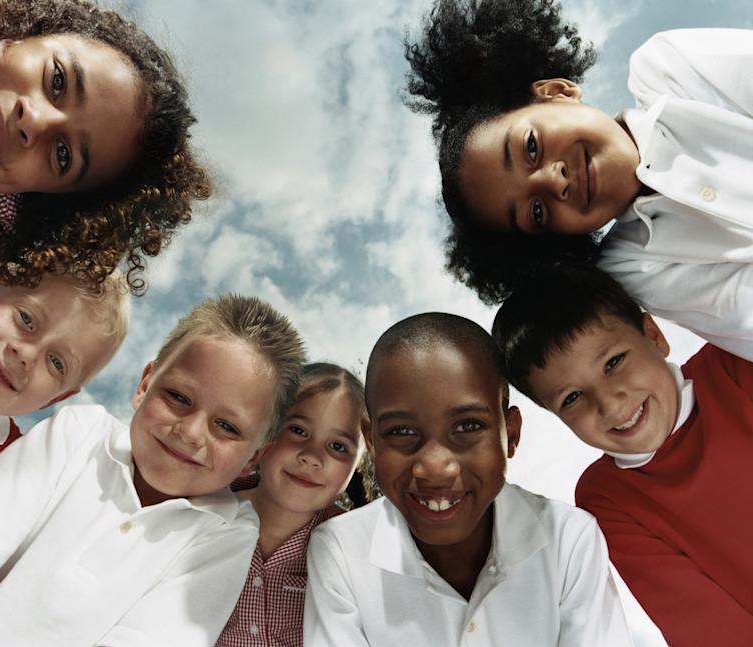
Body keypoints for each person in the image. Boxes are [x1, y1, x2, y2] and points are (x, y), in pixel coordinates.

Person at [405, 0, 753, 359]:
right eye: (537, 212)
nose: (554, 182)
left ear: (557, 91)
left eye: (531, 147)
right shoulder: (634, 266)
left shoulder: (669, 69)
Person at [0, 293, 306, 647]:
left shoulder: (227, 534)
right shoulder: (78, 432)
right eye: (178, 398)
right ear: (144, 385)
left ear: (253, 457)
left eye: (227, 427)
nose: (191, 432)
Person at [303, 312, 631, 646]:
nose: (435, 467)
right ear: (371, 442)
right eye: (401, 432)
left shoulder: (569, 539)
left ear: (511, 433)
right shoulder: (341, 550)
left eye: (468, 426)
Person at [492, 262, 753, 646]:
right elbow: (705, 627)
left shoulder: (734, 363)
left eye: (613, 363)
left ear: (654, 335)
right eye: (572, 398)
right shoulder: (608, 497)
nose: (611, 406)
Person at [0, 0, 210, 293]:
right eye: (58, 80)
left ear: (37, 196)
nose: (35, 122)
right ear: (27, 32)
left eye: (62, 155)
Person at [217, 362, 366, 646]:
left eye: (338, 446)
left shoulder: (353, 549)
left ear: (356, 466)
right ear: (267, 429)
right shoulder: (202, 512)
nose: (312, 456)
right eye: (298, 430)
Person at [0, 270, 128, 487]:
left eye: (56, 363)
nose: (27, 355)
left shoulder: (7, 474)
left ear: (55, 399)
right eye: (26, 319)